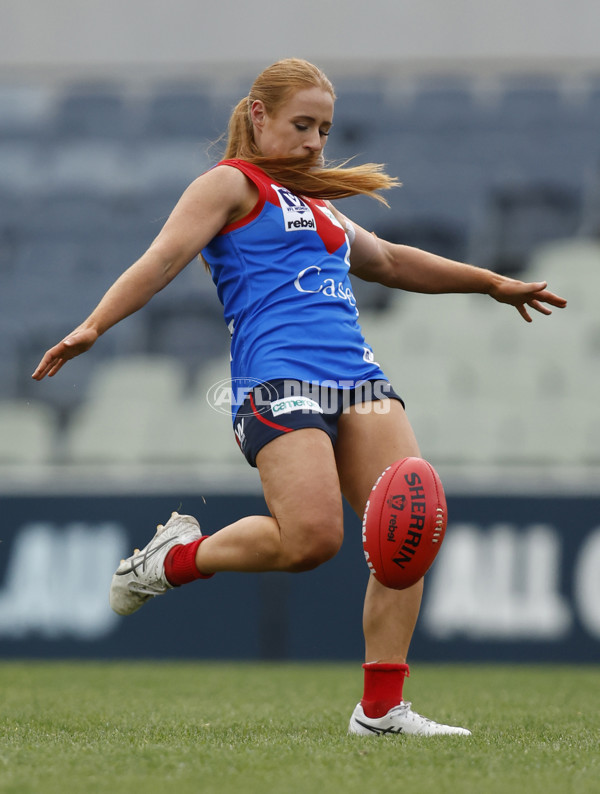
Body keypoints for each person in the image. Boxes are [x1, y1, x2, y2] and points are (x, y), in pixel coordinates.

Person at [33, 58, 567, 737]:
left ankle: (381, 714)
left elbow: (395, 261)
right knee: (312, 541)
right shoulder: (231, 184)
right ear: (259, 117)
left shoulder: (322, 209)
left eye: (325, 129)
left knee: (409, 522)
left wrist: (492, 283)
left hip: (360, 380)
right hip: (276, 380)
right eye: (303, 125)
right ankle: (169, 560)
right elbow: (162, 257)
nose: (317, 142)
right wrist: (94, 325)